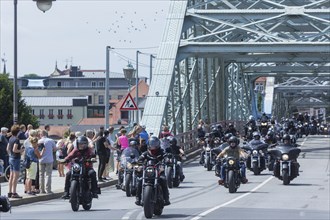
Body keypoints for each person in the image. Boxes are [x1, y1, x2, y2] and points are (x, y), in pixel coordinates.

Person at [135, 136, 170, 206]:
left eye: (154, 143)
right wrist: (139, 164)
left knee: (163, 179)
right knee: (139, 180)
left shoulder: (161, 152)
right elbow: (140, 159)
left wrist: (167, 160)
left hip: (158, 170)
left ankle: (166, 198)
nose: (153, 146)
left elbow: (165, 156)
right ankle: (138, 198)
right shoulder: (146, 153)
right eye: (152, 143)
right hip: (148, 171)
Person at [6, 124, 24, 198]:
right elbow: (14, 149)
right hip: (16, 158)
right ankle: (14, 192)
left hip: (11, 158)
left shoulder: (10, 138)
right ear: (18, 132)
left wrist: (11, 154)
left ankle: (9, 192)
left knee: (11, 176)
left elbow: (8, 149)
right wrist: (21, 150)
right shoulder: (16, 139)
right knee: (15, 177)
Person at [38, 129, 57, 194]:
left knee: (41, 175)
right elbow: (55, 149)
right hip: (49, 159)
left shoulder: (39, 141)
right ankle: (48, 189)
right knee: (48, 175)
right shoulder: (51, 140)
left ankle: (42, 190)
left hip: (41, 159)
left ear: (41, 134)